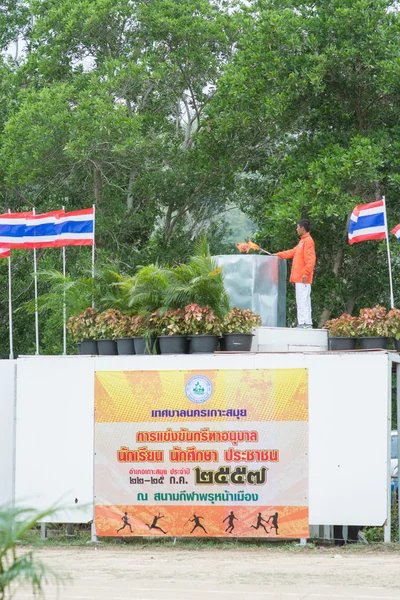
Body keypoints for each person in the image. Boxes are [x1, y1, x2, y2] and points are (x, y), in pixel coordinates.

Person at [274, 219, 316, 328]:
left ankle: (304, 323)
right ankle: (305, 322)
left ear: (302, 228)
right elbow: (292, 252)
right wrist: (278, 255)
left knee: (303, 299)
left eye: (297, 227)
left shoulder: (308, 241)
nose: (297, 229)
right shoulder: (302, 241)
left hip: (303, 277)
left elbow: (310, 259)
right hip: (300, 277)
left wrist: (306, 273)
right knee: (302, 299)